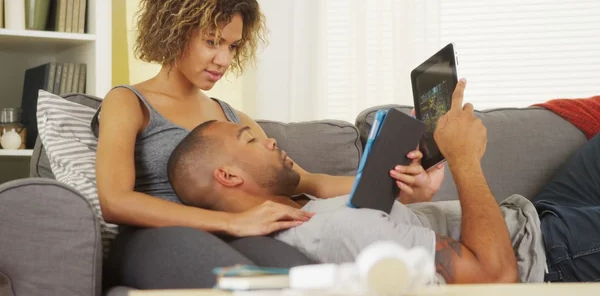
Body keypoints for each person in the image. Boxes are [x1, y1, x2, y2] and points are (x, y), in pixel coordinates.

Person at [94, 0, 440, 289]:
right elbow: (115, 201)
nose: (223, 59)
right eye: (212, 42)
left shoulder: (231, 117)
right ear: (175, 29)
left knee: (296, 276)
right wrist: (233, 222)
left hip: (239, 231)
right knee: (230, 277)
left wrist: (397, 180)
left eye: (232, 46)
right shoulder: (129, 102)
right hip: (157, 236)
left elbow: (310, 183)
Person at [168, 77, 600, 284]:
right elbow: (495, 276)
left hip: (531, 216)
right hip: (547, 252)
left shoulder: (306, 213)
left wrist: (417, 198)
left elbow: (390, 232)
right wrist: (465, 160)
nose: (270, 140)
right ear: (227, 176)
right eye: (251, 139)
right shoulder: (332, 231)